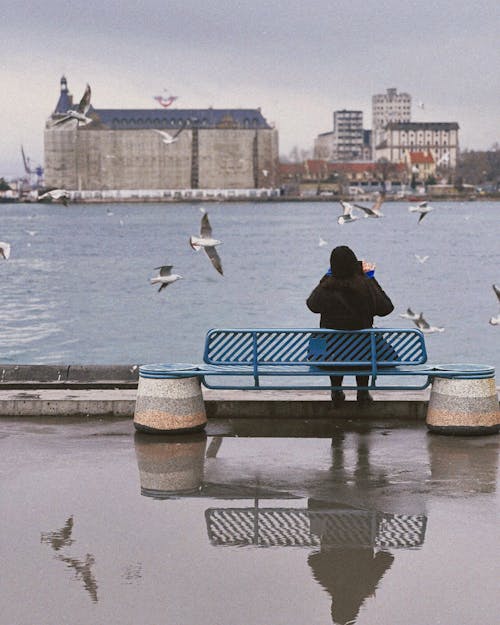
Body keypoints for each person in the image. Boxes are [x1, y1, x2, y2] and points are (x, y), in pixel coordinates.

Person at [306, 245, 394, 407]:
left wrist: (326, 277)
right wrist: (371, 277)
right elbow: (386, 308)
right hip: (365, 356)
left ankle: (336, 389)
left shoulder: (326, 287)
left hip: (329, 357)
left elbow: (312, 305)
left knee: (330, 340)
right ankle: (362, 391)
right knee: (365, 344)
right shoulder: (365, 286)